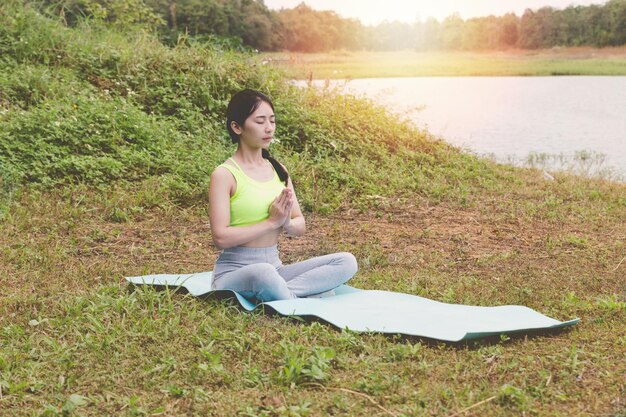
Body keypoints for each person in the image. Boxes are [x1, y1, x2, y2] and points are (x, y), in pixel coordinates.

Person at [208, 89, 358, 302]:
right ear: (237, 127)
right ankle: (305, 295)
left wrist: (285, 221)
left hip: (276, 268)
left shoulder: (279, 170)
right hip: (234, 273)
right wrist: (270, 222)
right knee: (263, 274)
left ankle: (285, 293)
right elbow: (220, 238)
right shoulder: (224, 175)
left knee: (346, 261)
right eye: (260, 121)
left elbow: (300, 225)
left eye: (272, 120)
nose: (269, 128)